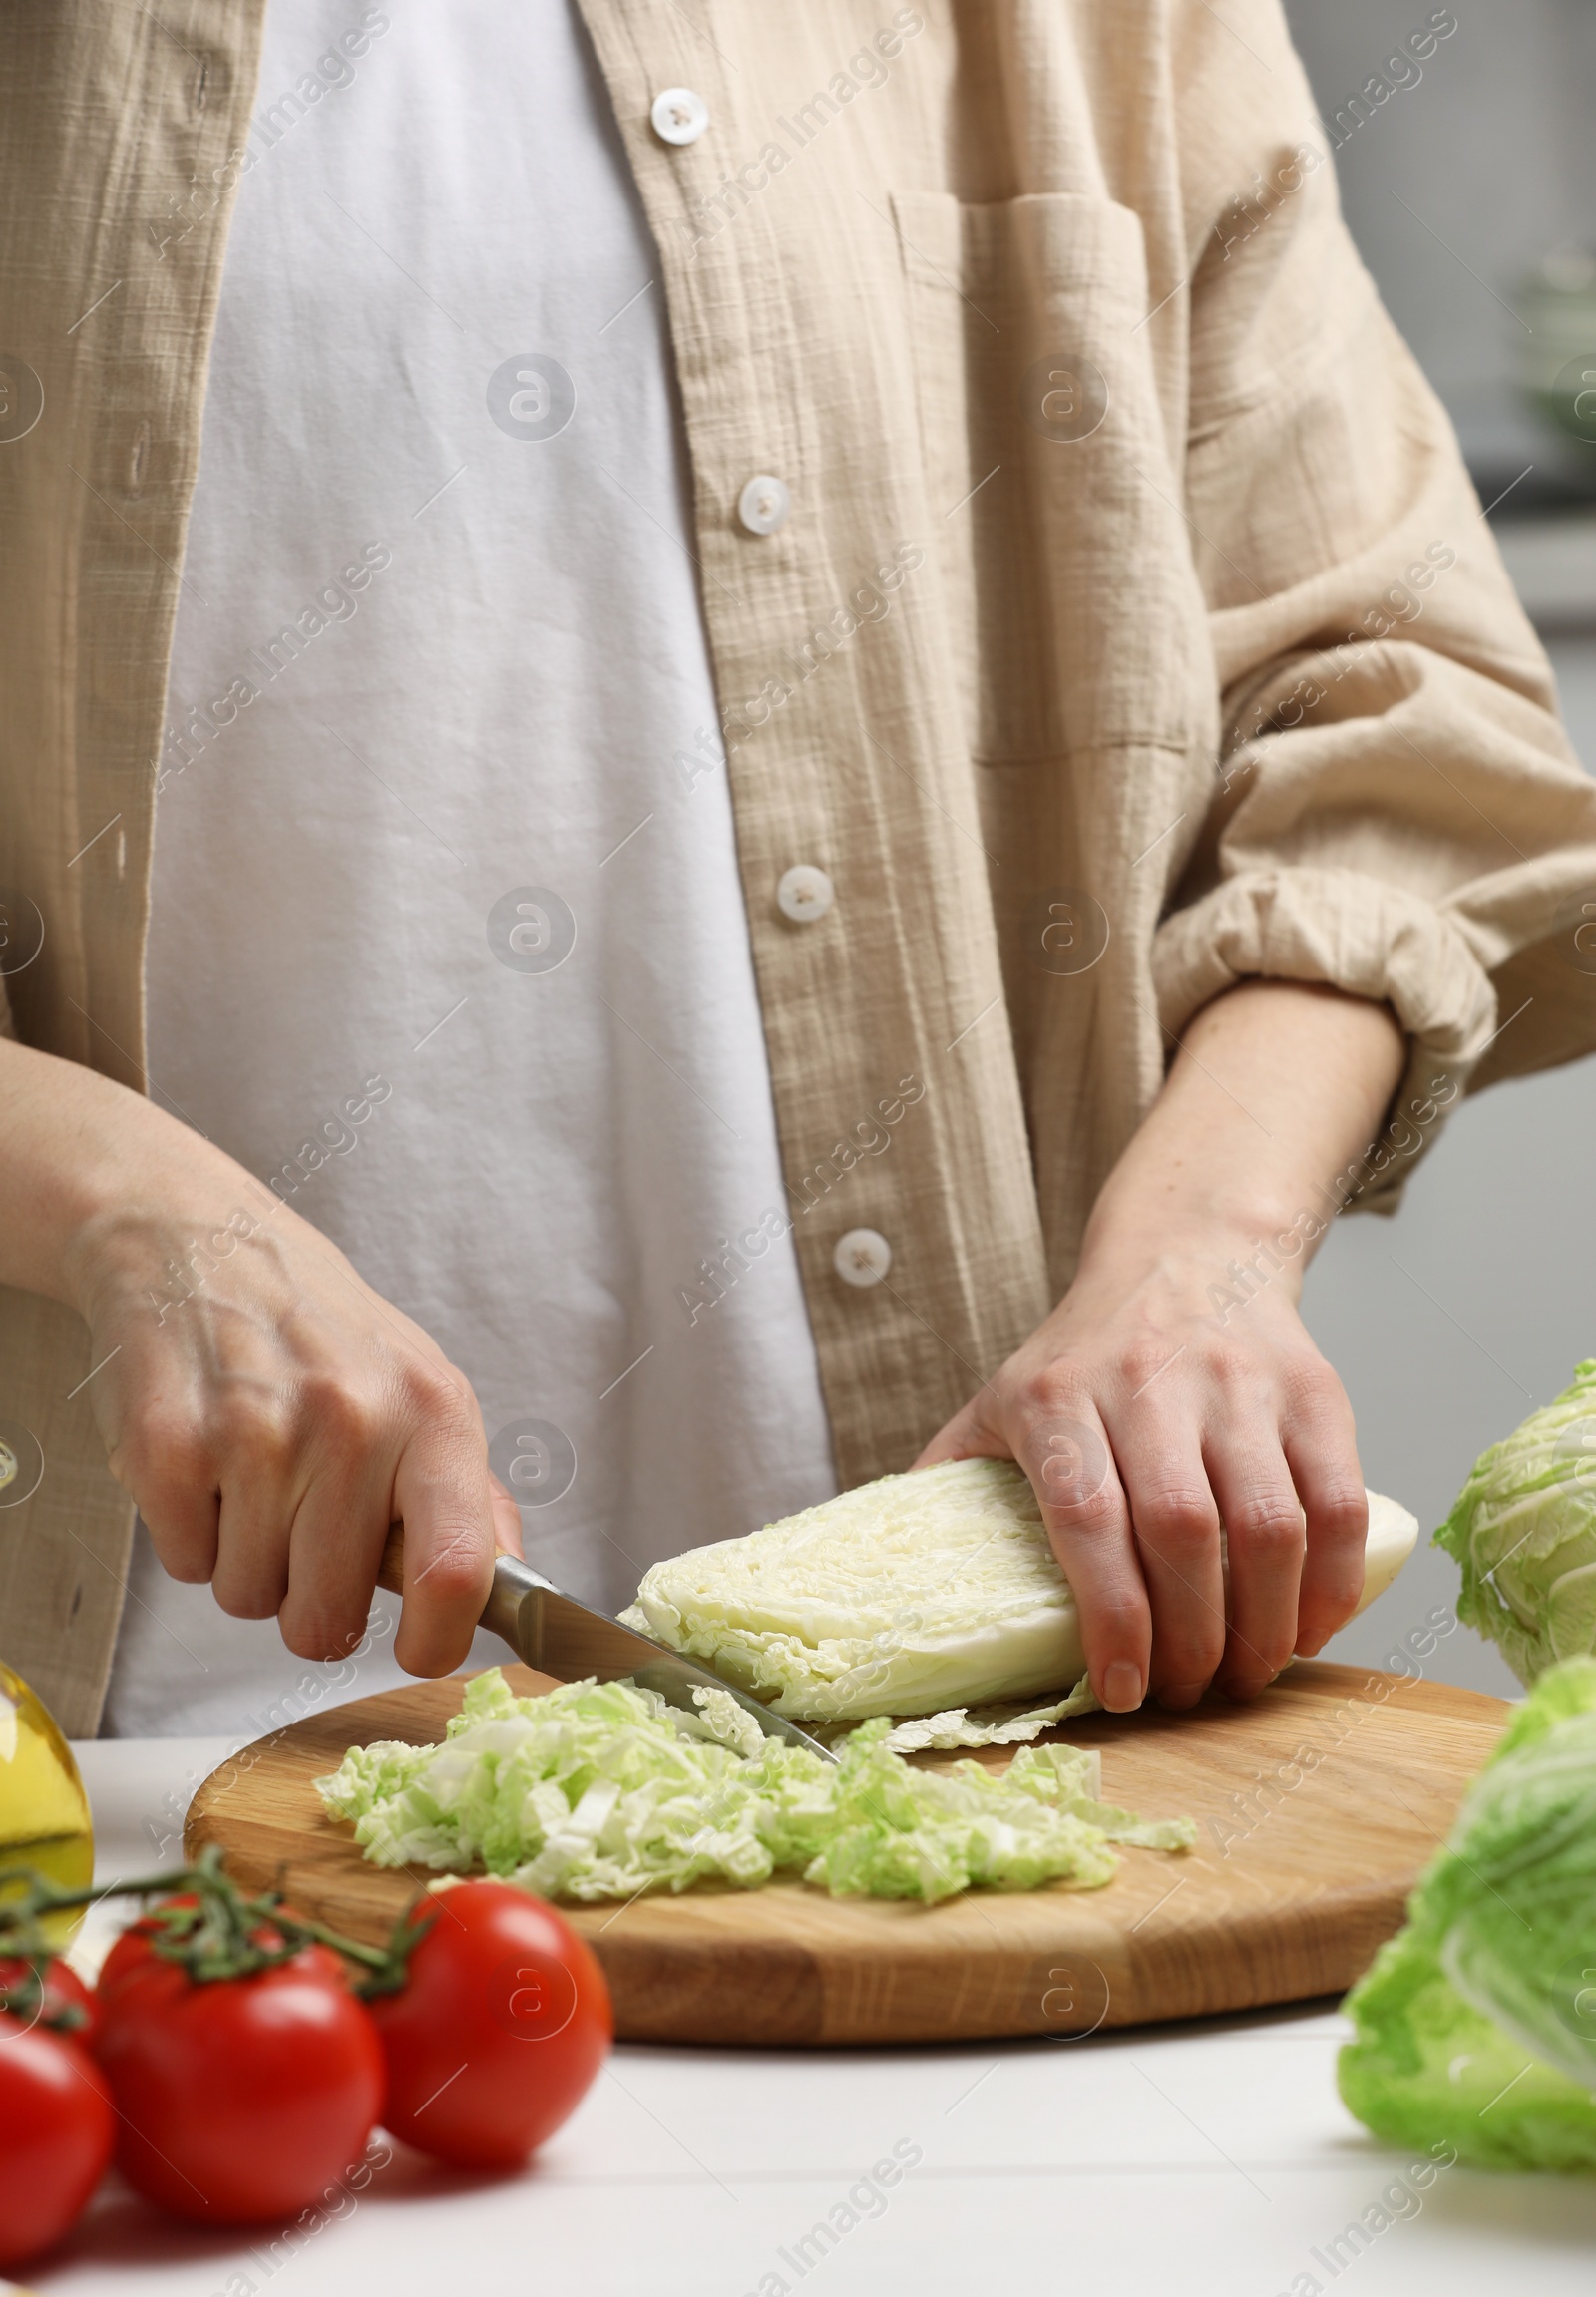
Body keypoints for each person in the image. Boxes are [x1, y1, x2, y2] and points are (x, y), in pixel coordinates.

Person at [1, 0, 1591, 1739]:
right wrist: (121, 1204)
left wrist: (1200, 1250)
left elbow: (1393, 703)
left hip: (983, 1765)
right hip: (107, 1783)